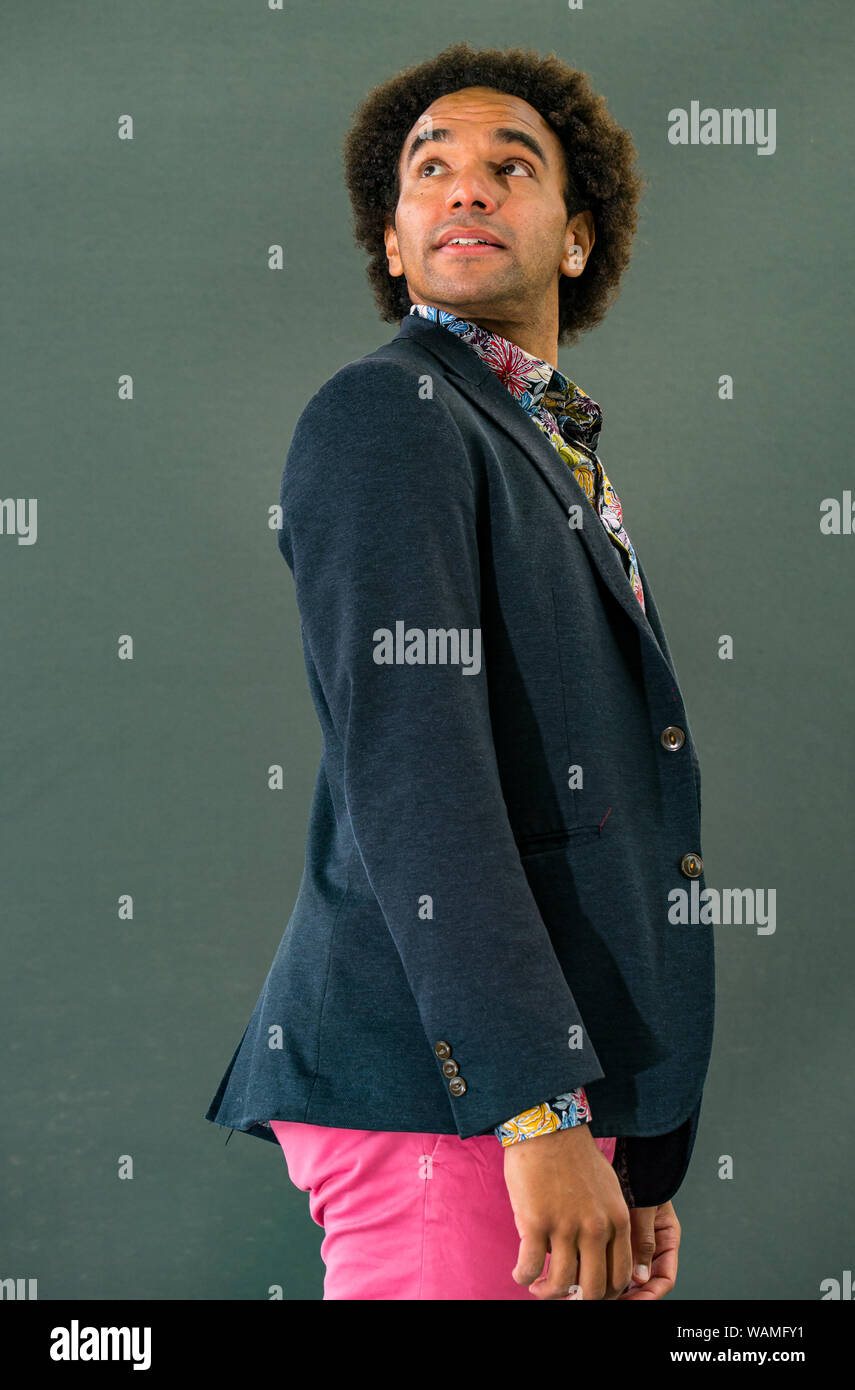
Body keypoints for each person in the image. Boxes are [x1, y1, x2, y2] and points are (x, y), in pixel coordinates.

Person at [205, 41, 715, 1301]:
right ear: (393, 244)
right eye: (430, 169)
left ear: (579, 237)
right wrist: (537, 1116)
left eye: (510, 166)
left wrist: (632, 1152)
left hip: (535, 1100)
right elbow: (419, 778)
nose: (465, 189)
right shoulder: (388, 416)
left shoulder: (543, 442)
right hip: (456, 1101)